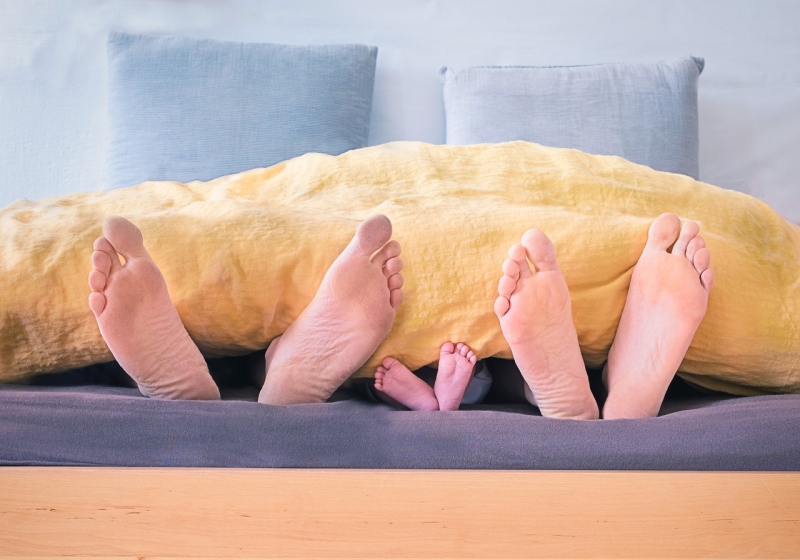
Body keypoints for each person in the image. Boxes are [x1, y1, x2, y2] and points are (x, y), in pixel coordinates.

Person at [373, 212, 714, 420]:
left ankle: (439, 404)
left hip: (466, 375)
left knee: (386, 369)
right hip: (478, 370)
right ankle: (618, 384)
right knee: (496, 361)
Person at [87, 214, 405, 405]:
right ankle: (280, 361)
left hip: (197, 340)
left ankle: (181, 375)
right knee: (263, 363)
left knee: (118, 366)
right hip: (272, 344)